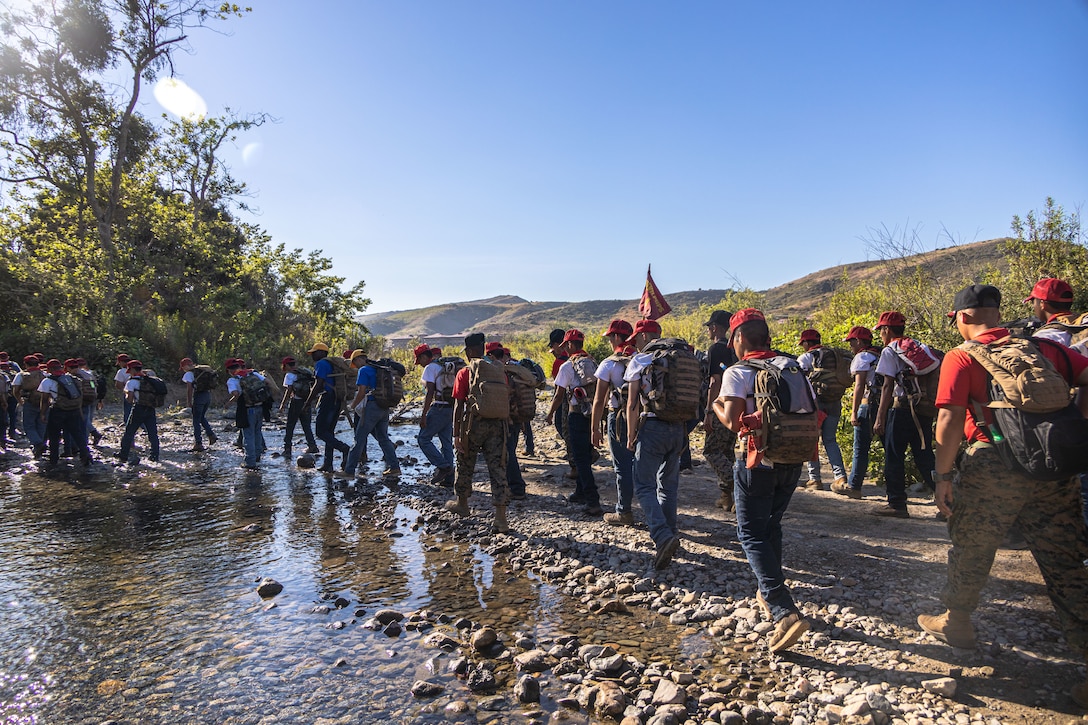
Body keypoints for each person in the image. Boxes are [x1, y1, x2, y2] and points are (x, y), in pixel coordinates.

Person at [918, 284, 1088, 709]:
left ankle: (957, 622)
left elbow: (949, 418)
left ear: (961, 317)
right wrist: (1076, 425)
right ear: (997, 313)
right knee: (1066, 559)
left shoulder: (962, 355)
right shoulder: (1042, 349)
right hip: (1054, 466)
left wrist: (942, 476)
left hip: (994, 465)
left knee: (973, 545)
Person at [712, 308, 811, 653]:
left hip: (757, 460)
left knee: (750, 531)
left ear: (739, 338)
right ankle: (768, 590)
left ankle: (784, 611)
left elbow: (734, 422)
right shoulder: (793, 366)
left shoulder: (738, 372)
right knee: (772, 526)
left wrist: (716, 406)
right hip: (794, 457)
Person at [624, 318, 687, 569]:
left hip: (652, 427)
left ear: (644, 336)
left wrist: (630, 435)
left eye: (637, 338)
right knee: (668, 486)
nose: (636, 343)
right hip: (678, 428)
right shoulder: (681, 355)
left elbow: (631, 403)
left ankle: (662, 536)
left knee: (643, 485)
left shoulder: (642, 359)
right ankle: (670, 533)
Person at [871, 311, 937, 517]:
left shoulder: (891, 350)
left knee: (893, 456)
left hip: (901, 409)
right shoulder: (917, 346)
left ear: (886, 330)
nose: (880, 335)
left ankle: (896, 503)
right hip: (922, 408)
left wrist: (880, 417)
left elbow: (887, 386)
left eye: (881, 331)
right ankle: (949, 500)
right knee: (925, 455)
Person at [444, 333, 511, 534]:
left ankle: (462, 504)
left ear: (470, 351)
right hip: (498, 426)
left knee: (464, 463)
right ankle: (500, 518)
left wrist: (456, 434)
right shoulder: (499, 370)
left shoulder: (465, 372)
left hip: (473, 424)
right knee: (497, 468)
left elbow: (458, 405)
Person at [549, 329, 602, 515]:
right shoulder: (593, 362)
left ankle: (592, 499)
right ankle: (580, 492)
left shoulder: (567, 366)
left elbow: (558, 395)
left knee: (580, 459)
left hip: (576, 415)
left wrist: (550, 414)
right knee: (585, 454)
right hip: (592, 414)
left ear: (570, 345)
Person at [590, 319, 636, 525]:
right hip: (643, 417)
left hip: (617, 418)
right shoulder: (643, 358)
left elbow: (599, 400)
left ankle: (624, 511)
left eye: (610, 337)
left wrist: (594, 429)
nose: (609, 341)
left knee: (622, 466)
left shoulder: (609, 363)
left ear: (617, 337)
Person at [796, 328, 848, 490]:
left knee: (813, 439)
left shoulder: (807, 357)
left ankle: (815, 479)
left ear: (806, 342)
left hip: (815, 403)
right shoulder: (833, 355)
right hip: (835, 401)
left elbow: (798, 380)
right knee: (830, 439)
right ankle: (840, 477)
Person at [833, 326, 881, 499]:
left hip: (868, 405)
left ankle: (854, 486)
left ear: (859, 341)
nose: (851, 346)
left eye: (851, 342)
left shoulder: (862, 357)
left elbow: (859, 385)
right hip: (886, 405)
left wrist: (854, 412)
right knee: (890, 448)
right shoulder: (880, 354)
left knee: (860, 447)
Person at [702, 310, 739, 510]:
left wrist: (708, 411)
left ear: (715, 327)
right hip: (737, 405)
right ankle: (727, 498)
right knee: (726, 450)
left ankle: (740, 484)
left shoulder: (716, 349)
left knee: (711, 450)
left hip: (720, 407)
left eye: (709, 326)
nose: (708, 330)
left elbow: (714, 381)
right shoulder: (736, 349)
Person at [344, 350, 401, 478]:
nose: (356, 366)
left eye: (355, 363)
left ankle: (349, 471)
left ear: (358, 359)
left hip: (372, 407)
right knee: (383, 438)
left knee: (359, 438)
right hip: (384, 406)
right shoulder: (379, 369)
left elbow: (361, 392)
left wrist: (352, 406)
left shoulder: (363, 370)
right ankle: (395, 467)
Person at [304, 342, 352, 473]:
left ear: (322, 353)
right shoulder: (332, 363)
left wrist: (307, 403)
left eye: (314, 352)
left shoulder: (321, 364)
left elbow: (318, 384)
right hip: (337, 399)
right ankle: (328, 464)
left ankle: (344, 449)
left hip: (328, 398)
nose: (312, 355)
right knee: (329, 432)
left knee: (320, 431)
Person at [38, 358, 92, 466]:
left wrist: (42, 413)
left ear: (49, 369)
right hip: (74, 410)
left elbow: (44, 400)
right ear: (61, 367)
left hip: (58, 410)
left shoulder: (47, 381)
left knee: (54, 436)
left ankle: (53, 460)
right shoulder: (71, 378)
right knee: (77, 434)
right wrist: (79, 410)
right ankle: (86, 457)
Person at [415, 343, 456, 486]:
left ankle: (444, 466)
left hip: (438, 408)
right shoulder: (442, 366)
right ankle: (449, 479)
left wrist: (424, 415)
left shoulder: (430, 367)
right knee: (446, 442)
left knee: (423, 438)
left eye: (419, 360)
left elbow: (430, 392)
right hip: (450, 408)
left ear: (424, 357)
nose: (419, 364)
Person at [225, 359, 266, 470]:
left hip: (247, 410)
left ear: (229, 370)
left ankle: (250, 462)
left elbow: (236, 393)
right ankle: (257, 457)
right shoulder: (253, 373)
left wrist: (230, 402)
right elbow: (266, 383)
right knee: (257, 432)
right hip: (260, 407)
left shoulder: (232, 380)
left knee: (248, 436)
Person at [1027, 278, 1087, 354]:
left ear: (1042, 304)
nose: (1033, 306)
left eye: (1033, 301)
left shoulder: (1043, 338)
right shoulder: (1083, 322)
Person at [117, 360, 160, 464]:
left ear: (132, 370)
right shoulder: (150, 380)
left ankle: (123, 456)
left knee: (129, 432)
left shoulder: (131, 382)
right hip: (150, 409)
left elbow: (130, 400)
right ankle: (154, 456)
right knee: (153, 433)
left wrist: (127, 393)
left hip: (138, 409)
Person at [548, 328, 576, 480]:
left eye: (553, 345)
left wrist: (550, 413)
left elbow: (558, 390)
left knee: (563, 427)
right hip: (579, 400)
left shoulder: (560, 362)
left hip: (564, 401)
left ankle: (574, 462)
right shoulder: (579, 359)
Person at [279, 356, 319, 458]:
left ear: (287, 365)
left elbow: (289, 391)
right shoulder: (305, 372)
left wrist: (283, 404)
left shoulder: (290, 375)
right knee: (306, 425)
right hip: (307, 402)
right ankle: (312, 446)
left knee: (290, 425)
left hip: (296, 402)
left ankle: (287, 449)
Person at [181, 357, 218, 452]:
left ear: (185, 366)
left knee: (196, 421)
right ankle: (211, 435)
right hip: (207, 396)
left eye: (183, 368)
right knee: (201, 417)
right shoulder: (202, 371)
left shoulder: (189, 374)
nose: (183, 370)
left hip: (199, 397)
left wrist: (189, 401)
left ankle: (198, 443)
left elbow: (190, 388)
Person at [13, 355, 47, 457]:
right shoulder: (45, 374)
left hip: (29, 402)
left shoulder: (21, 375)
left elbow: (15, 390)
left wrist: (20, 400)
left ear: (25, 364)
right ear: (38, 364)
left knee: (28, 426)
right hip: (44, 403)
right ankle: (39, 447)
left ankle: (38, 443)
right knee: (41, 424)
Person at [73, 358, 103, 447]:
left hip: (83, 399)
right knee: (88, 419)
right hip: (93, 397)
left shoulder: (76, 374)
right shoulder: (90, 374)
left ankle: (93, 433)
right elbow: (94, 385)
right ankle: (85, 440)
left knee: (83, 419)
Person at [114, 353, 133, 423]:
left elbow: (118, 385)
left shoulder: (121, 372)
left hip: (128, 392)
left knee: (128, 409)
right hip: (141, 393)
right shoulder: (137, 370)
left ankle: (128, 423)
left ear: (121, 362)